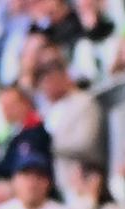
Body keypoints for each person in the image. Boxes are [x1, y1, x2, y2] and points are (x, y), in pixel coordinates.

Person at [35, 53, 106, 198]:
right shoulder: (46, 112)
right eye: (45, 82)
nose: (49, 86)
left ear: (64, 76)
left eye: (52, 79)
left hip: (85, 176)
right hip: (58, 183)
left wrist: (49, 145)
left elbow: (86, 143)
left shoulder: (83, 102)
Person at [0, 86, 54, 180]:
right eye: (3, 107)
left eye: (10, 106)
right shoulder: (16, 133)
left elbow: (14, 168)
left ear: (25, 103)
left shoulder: (40, 128)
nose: (6, 111)